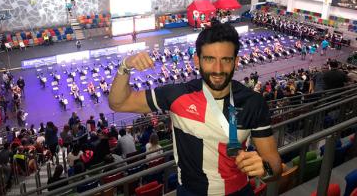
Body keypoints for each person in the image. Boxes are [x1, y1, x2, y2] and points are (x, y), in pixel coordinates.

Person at [108, 22, 282, 196]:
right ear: (197, 61)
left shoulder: (253, 102)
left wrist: (265, 169)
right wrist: (125, 66)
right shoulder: (176, 95)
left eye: (226, 60)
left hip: (238, 191)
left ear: (236, 62)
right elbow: (118, 103)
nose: (218, 69)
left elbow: (274, 164)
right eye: (210, 59)